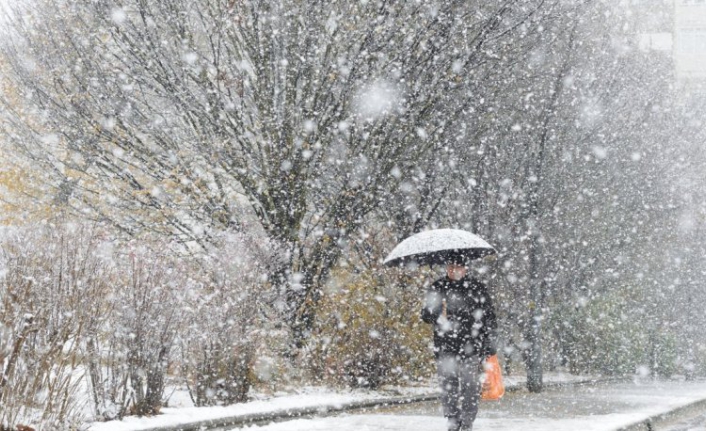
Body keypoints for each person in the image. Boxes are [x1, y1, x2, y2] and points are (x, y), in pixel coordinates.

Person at [421, 259, 498, 431]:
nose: (454, 270)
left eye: (458, 266)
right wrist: (436, 313)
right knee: (449, 386)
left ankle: (467, 421)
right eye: (450, 266)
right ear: (446, 267)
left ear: (465, 268)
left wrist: (488, 344)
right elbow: (425, 315)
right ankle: (452, 421)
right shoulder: (437, 287)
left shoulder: (477, 287)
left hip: (471, 346)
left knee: (471, 385)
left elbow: (490, 317)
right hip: (445, 346)